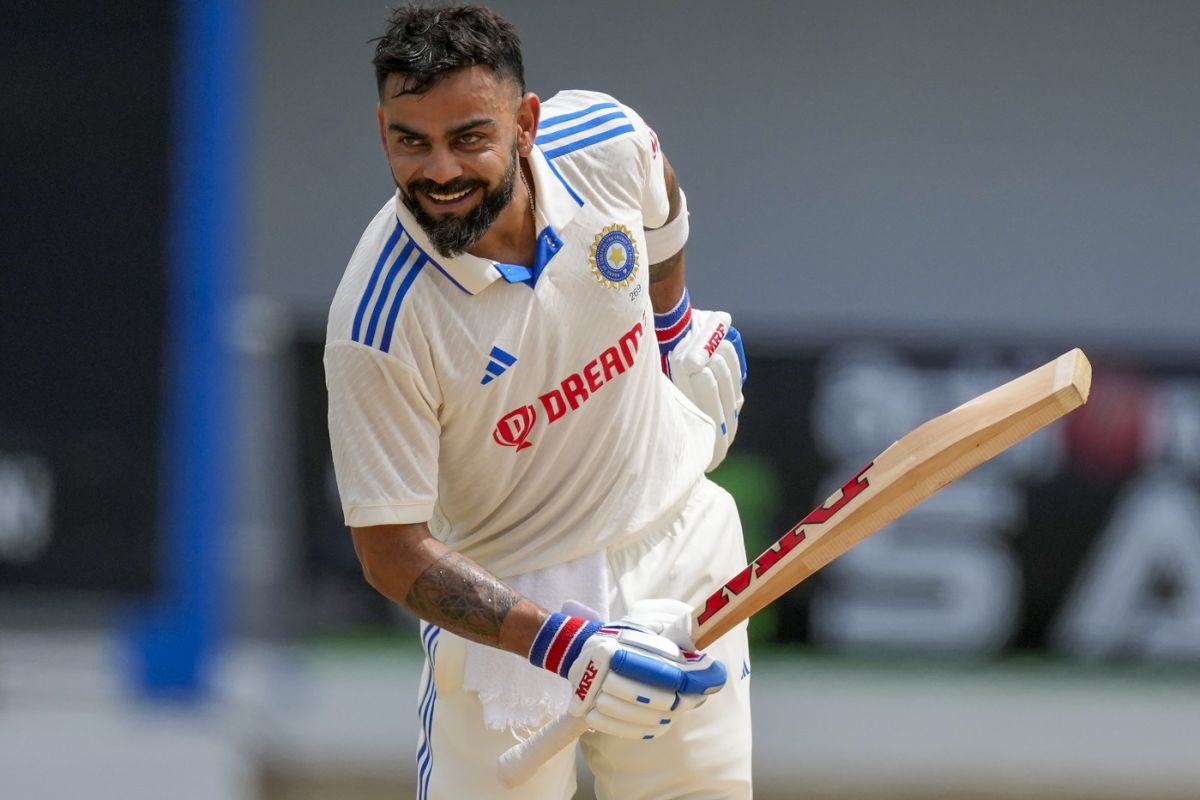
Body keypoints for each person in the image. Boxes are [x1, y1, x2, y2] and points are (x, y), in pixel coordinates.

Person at [324, 5, 751, 798]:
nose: (440, 171)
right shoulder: (376, 321)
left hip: (678, 545)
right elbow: (391, 552)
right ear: (382, 126)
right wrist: (565, 645)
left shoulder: (603, 139)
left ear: (526, 123)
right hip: (510, 609)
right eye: (410, 141)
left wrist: (674, 332)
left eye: (470, 138)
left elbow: (661, 201)